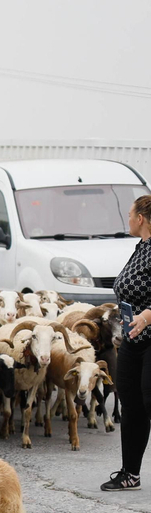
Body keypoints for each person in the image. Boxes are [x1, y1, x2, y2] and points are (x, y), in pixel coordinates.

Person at [104, 193, 151, 492]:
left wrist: (148, 314)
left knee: (148, 400)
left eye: (130, 214)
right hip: (134, 338)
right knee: (131, 404)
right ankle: (130, 473)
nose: (128, 220)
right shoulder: (141, 248)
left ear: (141, 219)